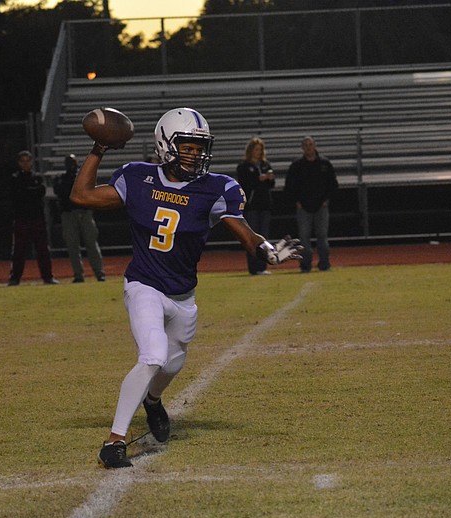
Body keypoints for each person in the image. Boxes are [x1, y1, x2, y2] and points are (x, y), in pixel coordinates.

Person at [70, 107, 302, 468]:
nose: (195, 154)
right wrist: (98, 148)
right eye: (188, 146)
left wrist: (267, 251)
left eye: (199, 147)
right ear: (165, 145)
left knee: (172, 364)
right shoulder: (138, 177)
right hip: (144, 284)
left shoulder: (215, 187)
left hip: (183, 297)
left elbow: (243, 230)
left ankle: (152, 402)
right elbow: (81, 196)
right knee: (153, 355)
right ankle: (115, 440)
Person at [284, 136, 338, 273]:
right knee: (304, 238)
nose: (309, 147)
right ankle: (305, 265)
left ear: (315, 146)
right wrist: (296, 202)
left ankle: (324, 264)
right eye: (306, 145)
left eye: (311, 144)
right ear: (303, 148)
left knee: (322, 236)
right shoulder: (297, 165)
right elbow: (289, 186)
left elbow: (333, 184)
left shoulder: (325, 163)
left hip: (321, 206)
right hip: (303, 207)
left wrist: (326, 200)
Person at [8, 150, 59, 285]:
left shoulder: (37, 178)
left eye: (28, 160)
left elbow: (38, 192)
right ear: (19, 163)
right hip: (22, 219)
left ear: (31, 162)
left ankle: (47, 276)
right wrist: (31, 191)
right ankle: (15, 277)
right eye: (23, 161)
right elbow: (19, 195)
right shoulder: (15, 178)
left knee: (43, 249)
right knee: (19, 251)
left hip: (37, 219)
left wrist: (27, 191)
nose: (25, 164)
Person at [53, 154, 106, 283]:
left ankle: (99, 272)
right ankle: (78, 274)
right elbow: (63, 192)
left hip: (84, 212)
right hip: (69, 213)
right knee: (72, 245)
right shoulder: (63, 178)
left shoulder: (81, 177)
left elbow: (88, 191)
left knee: (91, 243)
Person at [236, 137, 275, 275]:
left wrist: (270, 179)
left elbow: (271, 185)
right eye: (256, 150)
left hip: (264, 205)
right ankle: (253, 268)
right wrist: (257, 179)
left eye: (260, 150)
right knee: (252, 237)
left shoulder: (265, 164)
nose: (259, 152)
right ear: (250, 151)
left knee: (264, 237)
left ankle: (262, 266)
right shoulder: (244, 166)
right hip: (252, 206)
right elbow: (244, 184)